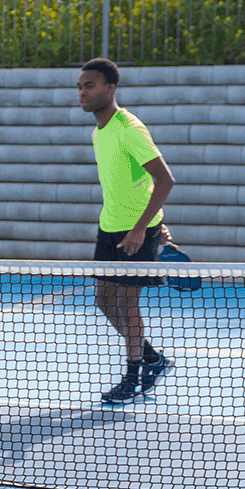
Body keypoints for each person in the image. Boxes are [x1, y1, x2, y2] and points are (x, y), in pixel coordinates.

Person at [76, 58, 176, 405]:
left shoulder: (129, 128)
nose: (82, 92)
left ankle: (133, 377)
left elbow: (165, 179)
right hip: (110, 227)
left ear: (110, 89)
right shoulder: (97, 132)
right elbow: (135, 184)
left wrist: (144, 228)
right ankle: (152, 358)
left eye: (89, 86)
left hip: (136, 232)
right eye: (80, 87)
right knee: (104, 300)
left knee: (126, 302)